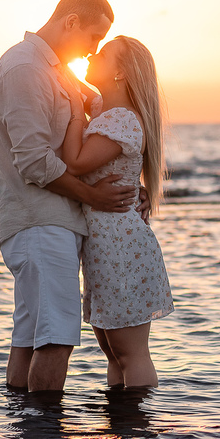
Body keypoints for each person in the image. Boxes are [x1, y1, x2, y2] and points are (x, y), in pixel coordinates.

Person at [0, 0, 137, 394]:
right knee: (56, 338)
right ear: (71, 22)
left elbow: (93, 103)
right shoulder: (25, 69)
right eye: (94, 38)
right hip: (39, 222)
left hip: (48, 221)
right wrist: (95, 197)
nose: (93, 50)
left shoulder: (51, 68)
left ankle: (25, 437)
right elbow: (34, 161)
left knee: (31, 336)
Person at [61, 36, 174, 389]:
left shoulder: (121, 120)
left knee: (130, 354)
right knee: (114, 354)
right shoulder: (106, 110)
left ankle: (140, 429)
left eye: (104, 53)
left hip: (121, 249)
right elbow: (67, 80)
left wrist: (72, 114)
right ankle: (121, 434)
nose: (92, 53)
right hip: (105, 247)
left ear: (121, 72)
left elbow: (75, 163)